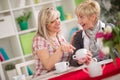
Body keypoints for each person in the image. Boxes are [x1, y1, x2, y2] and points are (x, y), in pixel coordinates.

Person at [32, 6, 75, 78]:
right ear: (45, 25)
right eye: (52, 21)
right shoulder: (39, 40)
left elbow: (66, 59)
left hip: (60, 76)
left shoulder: (60, 37)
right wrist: (60, 49)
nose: (58, 22)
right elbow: (48, 66)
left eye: (57, 18)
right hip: (45, 77)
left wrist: (72, 43)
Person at [69, 0, 114, 67]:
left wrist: (94, 60)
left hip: (112, 68)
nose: (78, 21)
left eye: (81, 17)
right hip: (91, 71)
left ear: (93, 17)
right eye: (78, 17)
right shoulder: (78, 36)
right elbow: (72, 60)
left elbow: (114, 52)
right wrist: (79, 61)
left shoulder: (109, 28)